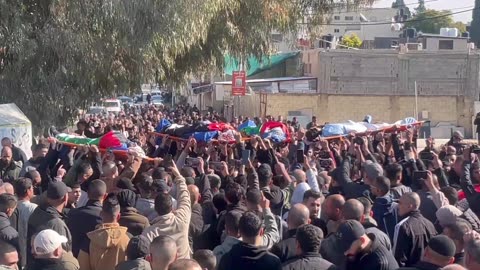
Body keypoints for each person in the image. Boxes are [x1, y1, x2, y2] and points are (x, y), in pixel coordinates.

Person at [142, 163, 191, 259]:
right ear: (172, 207)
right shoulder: (182, 219)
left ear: (156, 209)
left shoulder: (149, 233)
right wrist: (178, 176)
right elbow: (184, 197)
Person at [78, 195, 131, 270]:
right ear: (118, 216)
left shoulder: (89, 239)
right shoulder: (128, 239)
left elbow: (82, 266)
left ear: (101, 214)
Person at [27, 181, 72, 265]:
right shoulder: (56, 223)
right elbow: (63, 255)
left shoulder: (36, 213)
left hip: (33, 264)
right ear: (65, 197)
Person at [217, 212, 282, 270]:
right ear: (261, 232)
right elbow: (273, 234)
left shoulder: (227, 260)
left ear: (240, 232)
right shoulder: (273, 262)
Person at [394, 192, 437, 267]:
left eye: (400, 203)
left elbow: (398, 258)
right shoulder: (430, 224)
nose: (397, 206)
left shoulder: (403, 226)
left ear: (409, 206)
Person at [67, 179, 106, 257]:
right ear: (105, 196)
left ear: (87, 194)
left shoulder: (72, 213)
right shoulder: (105, 217)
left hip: (74, 258)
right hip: (95, 260)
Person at [12, 178, 37, 268]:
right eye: (32, 188)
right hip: (29, 250)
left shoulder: (11, 207)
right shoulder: (33, 208)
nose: (33, 190)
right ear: (28, 191)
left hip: (13, 249)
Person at [371, 176, 398, 241]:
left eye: (372, 186)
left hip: (382, 240)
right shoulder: (396, 205)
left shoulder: (376, 208)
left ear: (378, 190)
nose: (370, 187)